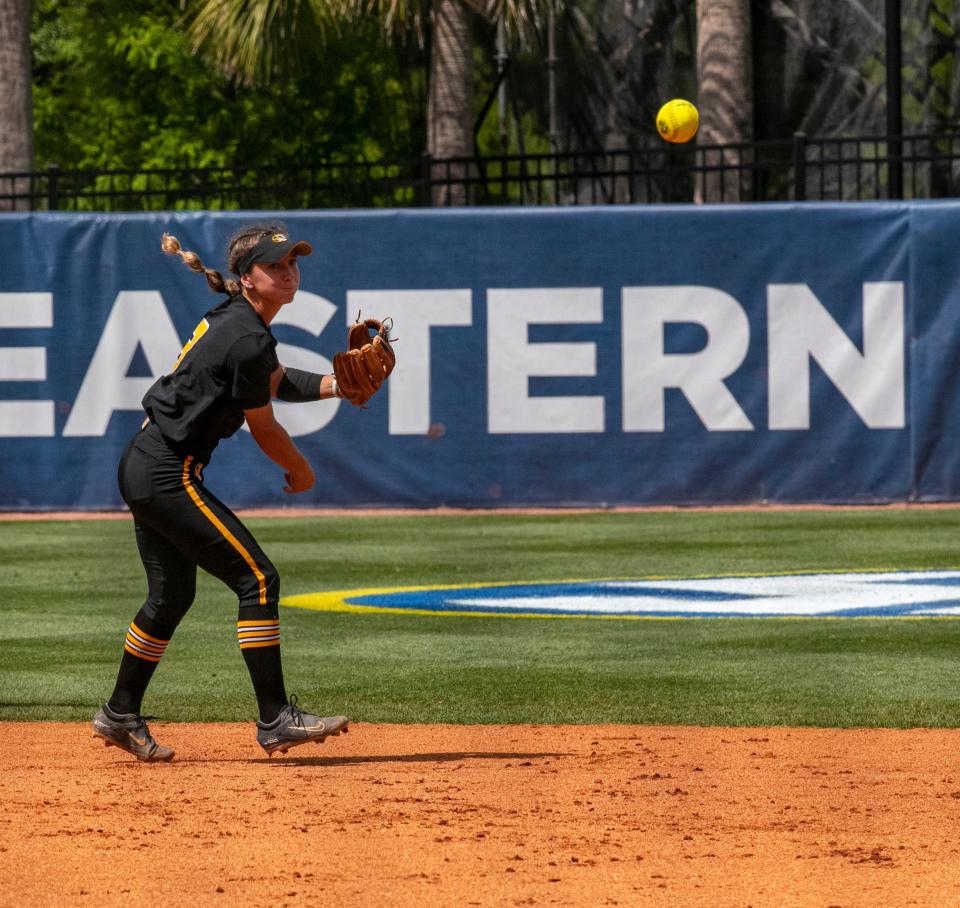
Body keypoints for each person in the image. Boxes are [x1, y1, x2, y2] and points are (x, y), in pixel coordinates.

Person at [92, 223, 351, 762]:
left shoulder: (239, 324)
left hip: (148, 464)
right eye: (274, 265)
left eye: (292, 263)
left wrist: (336, 385)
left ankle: (119, 713)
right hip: (164, 472)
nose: (287, 271)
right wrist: (301, 471)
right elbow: (265, 426)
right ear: (246, 278)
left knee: (171, 597)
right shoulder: (248, 335)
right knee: (257, 579)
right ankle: (276, 718)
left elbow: (273, 381)